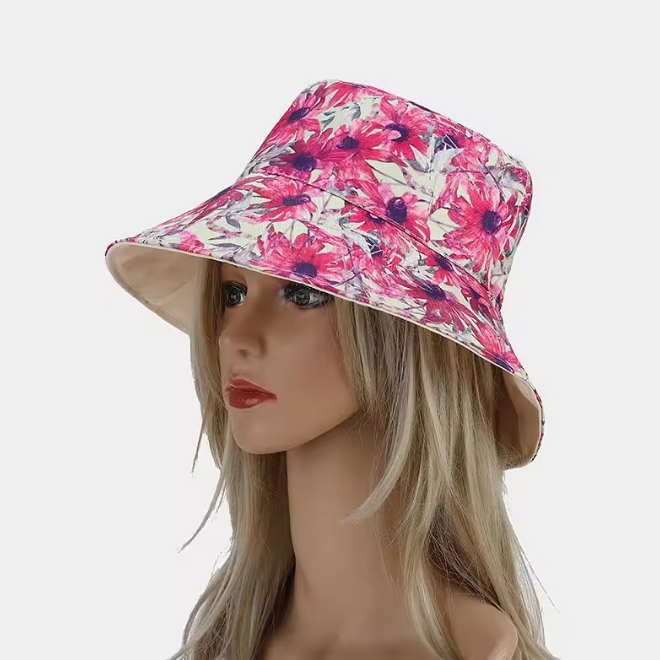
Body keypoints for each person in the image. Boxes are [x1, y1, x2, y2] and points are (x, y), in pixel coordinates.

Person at [105, 78, 558, 660]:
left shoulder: (474, 648)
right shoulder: (226, 643)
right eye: (234, 294)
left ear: (403, 339)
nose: (234, 336)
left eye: (302, 294)